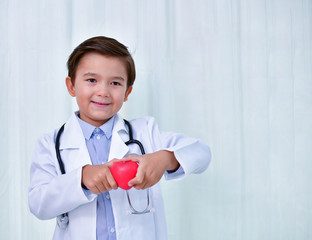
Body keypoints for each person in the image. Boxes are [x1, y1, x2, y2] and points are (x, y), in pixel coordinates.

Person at [28, 36, 211, 240]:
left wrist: (164, 159)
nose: (103, 91)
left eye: (115, 83)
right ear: (71, 86)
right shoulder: (51, 144)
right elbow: (38, 203)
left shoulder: (145, 133)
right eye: (91, 80)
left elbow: (201, 153)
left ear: (127, 92)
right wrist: (81, 178)